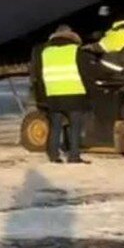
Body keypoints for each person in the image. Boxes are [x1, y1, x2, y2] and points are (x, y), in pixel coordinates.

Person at [34, 25, 91, 164]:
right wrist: (89, 93)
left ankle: (54, 155)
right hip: (74, 95)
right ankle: (74, 156)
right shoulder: (76, 51)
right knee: (75, 127)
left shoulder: (45, 52)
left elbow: (39, 76)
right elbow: (86, 74)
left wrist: (42, 97)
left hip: (54, 96)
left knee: (55, 127)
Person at [88, 6, 124, 81]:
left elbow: (99, 47)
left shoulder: (121, 32)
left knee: (85, 67)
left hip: (116, 69)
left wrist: (81, 47)